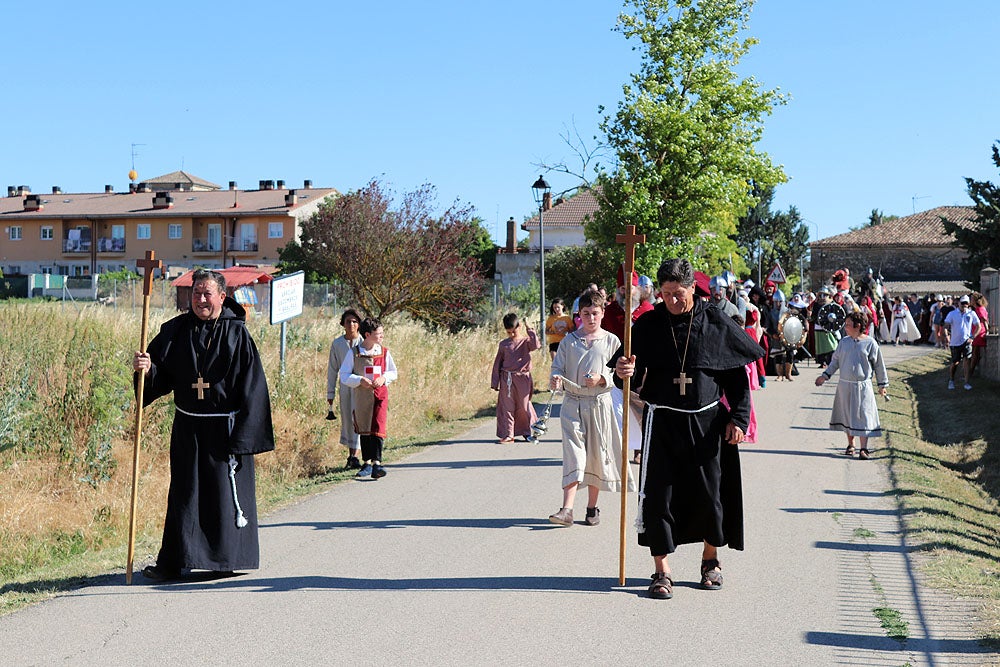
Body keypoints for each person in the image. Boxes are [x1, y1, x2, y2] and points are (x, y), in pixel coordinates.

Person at [614, 258, 764, 600]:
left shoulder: (714, 321)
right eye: (665, 294)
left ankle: (710, 560)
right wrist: (624, 370)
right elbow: (628, 377)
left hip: (707, 425)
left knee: (710, 497)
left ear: (693, 289)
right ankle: (661, 570)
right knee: (658, 499)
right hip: (663, 422)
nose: (671, 301)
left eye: (678, 293)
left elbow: (736, 377)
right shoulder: (649, 325)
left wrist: (739, 419)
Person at [133, 269, 275, 581]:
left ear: (222, 297)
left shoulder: (237, 335)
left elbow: (254, 388)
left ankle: (225, 560)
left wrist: (245, 436)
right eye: (196, 293)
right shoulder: (175, 331)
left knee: (223, 496)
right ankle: (175, 561)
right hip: (188, 427)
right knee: (185, 494)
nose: (200, 299)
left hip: (225, 429)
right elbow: (160, 374)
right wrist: (147, 369)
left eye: (207, 294)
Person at [548, 289, 632, 527]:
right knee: (574, 455)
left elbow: (620, 374)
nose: (591, 318)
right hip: (573, 404)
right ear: (579, 315)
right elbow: (557, 368)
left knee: (595, 457)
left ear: (602, 313)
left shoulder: (612, 341)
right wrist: (555, 379)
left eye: (595, 313)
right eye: (586, 314)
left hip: (599, 405)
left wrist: (602, 378)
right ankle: (567, 509)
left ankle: (592, 506)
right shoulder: (569, 342)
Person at [814, 309, 888, 460]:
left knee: (864, 416)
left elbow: (879, 365)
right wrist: (824, 376)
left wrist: (882, 385)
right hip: (845, 386)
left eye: (848, 324)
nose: (845, 327)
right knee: (848, 415)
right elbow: (835, 362)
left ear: (858, 325)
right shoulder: (844, 342)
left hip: (863, 387)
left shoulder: (870, 343)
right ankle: (851, 444)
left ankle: (864, 448)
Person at [339, 317, 398, 479]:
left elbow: (393, 372)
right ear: (367, 334)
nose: (381, 336)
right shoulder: (354, 353)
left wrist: (384, 378)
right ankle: (366, 463)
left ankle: (377, 464)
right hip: (362, 396)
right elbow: (344, 375)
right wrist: (359, 380)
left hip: (380, 395)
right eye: (378, 334)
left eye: (382, 333)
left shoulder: (384, 352)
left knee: (378, 427)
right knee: (364, 428)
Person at [490, 313, 540, 443]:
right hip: (507, 378)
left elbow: (536, 345)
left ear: (520, 326)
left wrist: (530, 330)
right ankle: (508, 434)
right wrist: (495, 381)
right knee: (507, 406)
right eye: (508, 332)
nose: (512, 334)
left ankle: (527, 431)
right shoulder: (504, 345)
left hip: (523, 378)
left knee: (524, 406)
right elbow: (497, 363)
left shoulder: (525, 342)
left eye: (514, 331)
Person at [326, 308, 363, 469]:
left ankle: (357, 455)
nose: (351, 325)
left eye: (355, 321)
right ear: (343, 324)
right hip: (344, 386)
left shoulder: (363, 343)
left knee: (359, 419)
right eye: (348, 321)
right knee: (348, 419)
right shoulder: (338, 344)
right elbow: (332, 369)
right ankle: (351, 455)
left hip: (361, 387)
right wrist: (330, 392)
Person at [944, 295, 981, 391]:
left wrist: (972, 337)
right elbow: (946, 326)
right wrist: (947, 336)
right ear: (959, 303)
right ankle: (951, 380)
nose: (964, 305)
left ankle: (967, 382)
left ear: (968, 304)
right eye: (963, 303)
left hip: (967, 342)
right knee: (955, 362)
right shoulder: (952, 314)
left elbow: (978, 326)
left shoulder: (971, 313)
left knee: (967, 361)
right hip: (955, 342)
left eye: (966, 303)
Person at [969, 292, 990, 377]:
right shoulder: (978, 309)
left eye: (971, 299)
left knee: (975, 354)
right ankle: (972, 371)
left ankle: (970, 372)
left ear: (975, 300)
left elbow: (984, 321)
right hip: (976, 332)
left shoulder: (980, 309)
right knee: (975, 354)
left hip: (979, 333)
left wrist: (987, 331)